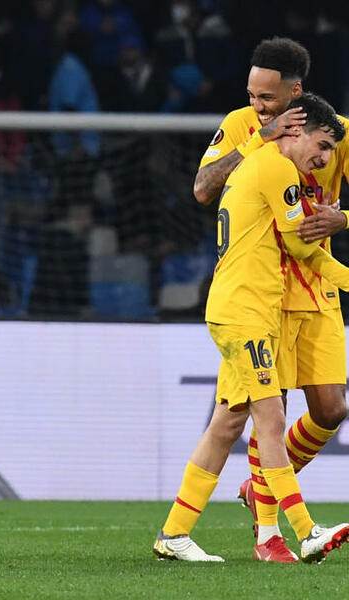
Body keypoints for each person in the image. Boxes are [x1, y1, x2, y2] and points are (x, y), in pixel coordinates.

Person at [153, 92, 349, 564]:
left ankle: (173, 534)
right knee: (271, 420)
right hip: (248, 311)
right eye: (322, 146)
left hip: (240, 307)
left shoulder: (261, 165)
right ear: (296, 130)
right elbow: (301, 246)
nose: (326, 160)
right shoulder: (278, 169)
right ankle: (305, 531)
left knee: (226, 424)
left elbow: (297, 246)